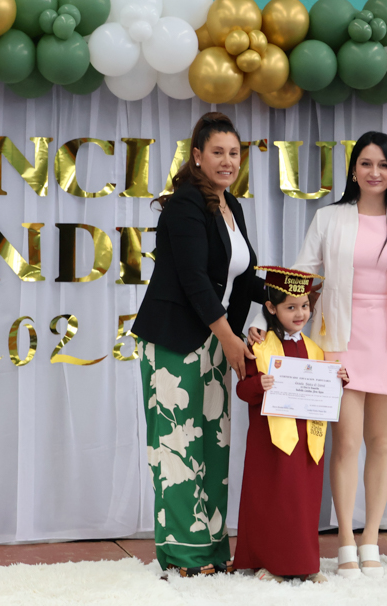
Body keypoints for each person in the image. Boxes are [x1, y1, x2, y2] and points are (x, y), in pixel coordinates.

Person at [250, 132, 387, 578]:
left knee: (382, 443)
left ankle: (371, 538)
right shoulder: (329, 218)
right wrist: (262, 321)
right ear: (353, 169)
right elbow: (299, 277)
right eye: (366, 163)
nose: (375, 172)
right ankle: (346, 541)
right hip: (339, 342)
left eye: (384, 165)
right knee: (347, 443)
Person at [132, 112, 266, 578]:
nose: (227, 161)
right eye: (217, 153)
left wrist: (285, 295)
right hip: (176, 340)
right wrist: (230, 338)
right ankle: (183, 556)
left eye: (234, 153)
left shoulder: (232, 206)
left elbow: (242, 277)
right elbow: (193, 279)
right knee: (176, 447)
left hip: (214, 339)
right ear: (197, 156)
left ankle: (211, 548)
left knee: (212, 444)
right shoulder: (185, 204)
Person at [234, 266, 348, 584]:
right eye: (291, 307)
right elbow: (242, 389)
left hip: (306, 440)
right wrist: (259, 385)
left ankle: (307, 564)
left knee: (304, 503)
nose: (300, 314)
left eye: (305, 306)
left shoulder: (315, 349)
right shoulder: (258, 347)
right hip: (269, 441)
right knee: (273, 501)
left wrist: (339, 379)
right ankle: (270, 563)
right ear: (271, 308)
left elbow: (324, 391)